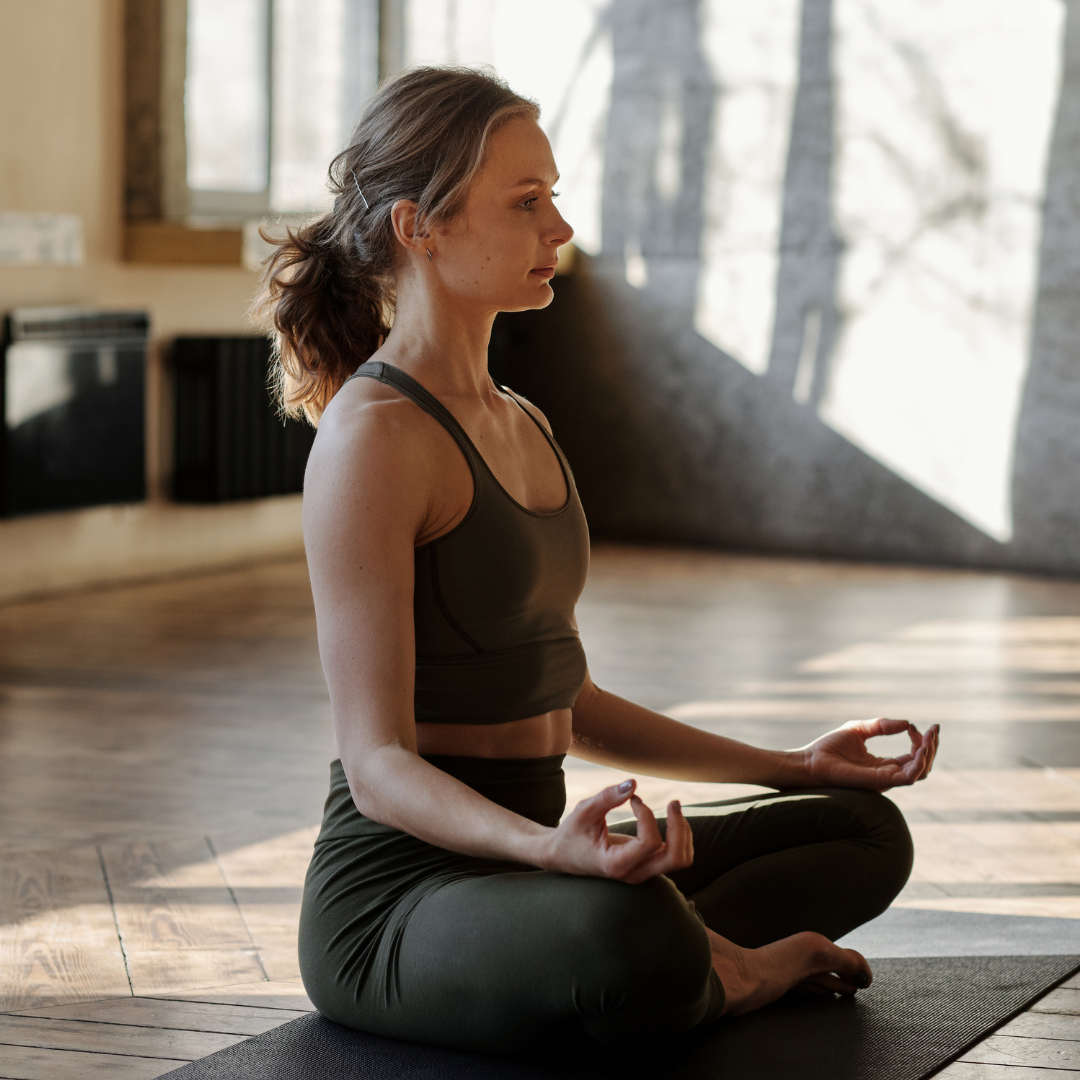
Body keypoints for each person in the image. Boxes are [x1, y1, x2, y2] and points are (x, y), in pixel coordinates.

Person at [258, 67, 939, 1054]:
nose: (560, 228)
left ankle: (686, 955)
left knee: (860, 829)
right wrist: (548, 849)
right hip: (402, 902)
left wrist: (796, 763)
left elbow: (562, 701)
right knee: (635, 934)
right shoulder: (374, 439)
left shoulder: (521, 422)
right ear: (420, 227)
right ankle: (728, 970)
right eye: (526, 201)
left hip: (541, 867)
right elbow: (376, 768)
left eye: (554, 196)